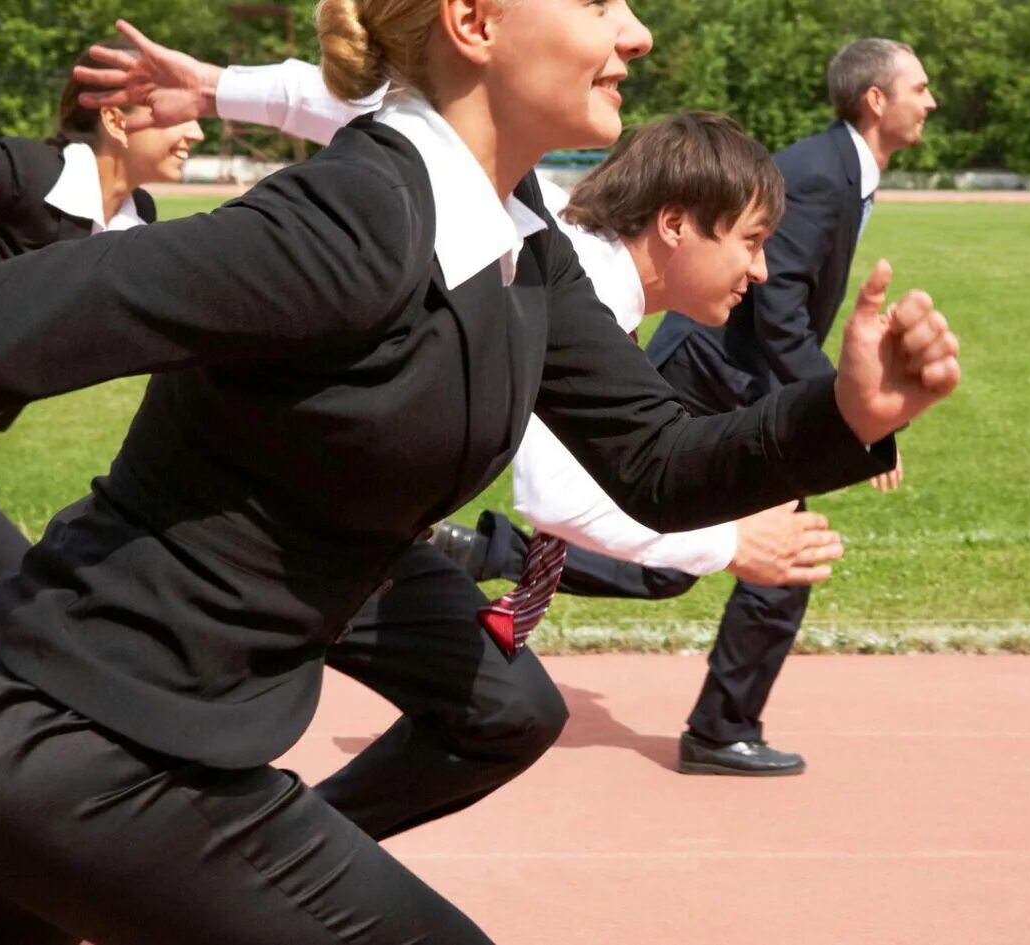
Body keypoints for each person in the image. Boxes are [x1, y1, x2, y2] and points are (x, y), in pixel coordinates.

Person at [0, 2, 960, 942]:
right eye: (597, 2)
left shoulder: (514, 235)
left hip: (86, 732)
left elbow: (657, 460)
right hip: (85, 743)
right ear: (474, 22)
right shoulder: (348, 227)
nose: (636, 33)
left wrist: (845, 412)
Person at [65, 30, 846, 838]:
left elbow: (367, 102)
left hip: (351, 532)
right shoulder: (562, 274)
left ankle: (285, 847)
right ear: (677, 224)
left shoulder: (527, 205)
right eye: (753, 242)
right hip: (259, 534)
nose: (760, 273)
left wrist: (220, 85)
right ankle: (241, 849)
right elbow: (562, 499)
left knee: (509, 707)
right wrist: (727, 545)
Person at [645, 37, 939, 775]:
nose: (931, 101)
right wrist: (848, 417)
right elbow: (777, 310)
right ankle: (493, 557)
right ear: (877, 100)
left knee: (752, 555)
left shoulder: (843, 171)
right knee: (690, 551)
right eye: (921, 88)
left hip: (740, 376)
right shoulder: (819, 176)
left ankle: (721, 726)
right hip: (712, 374)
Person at [0, 43, 205, 603]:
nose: (197, 134)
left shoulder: (138, 224)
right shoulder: (29, 176)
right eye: (178, 116)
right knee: (23, 590)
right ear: (115, 120)